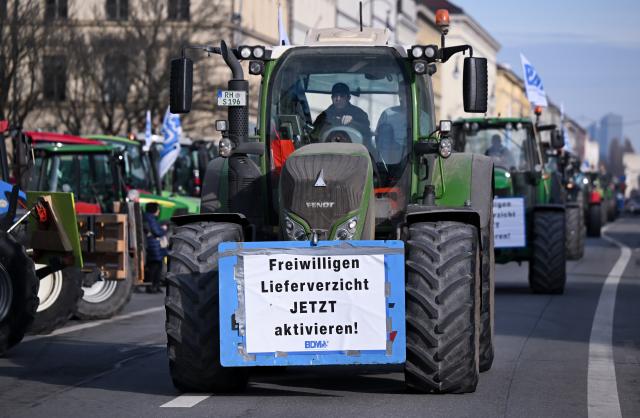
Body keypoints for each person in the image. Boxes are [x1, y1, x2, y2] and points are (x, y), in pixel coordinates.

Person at [143, 202, 167, 293]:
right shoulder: (151, 219)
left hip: (153, 245)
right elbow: (157, 232)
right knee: (155, 267)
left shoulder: (148, 218)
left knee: (156, 266)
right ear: (155, 210)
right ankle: (152, 286)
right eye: (158, 208)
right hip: (154, 245)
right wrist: (163, 229)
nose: (159, 210)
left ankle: (155, 286)